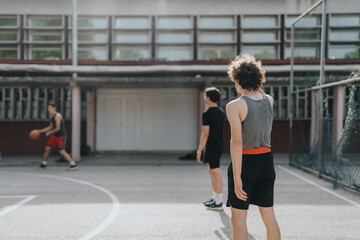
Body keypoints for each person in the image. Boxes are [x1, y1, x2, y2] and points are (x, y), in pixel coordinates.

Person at [226, 54, 281, 239]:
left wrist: (236, 176)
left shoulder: (235, 105)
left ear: (239, 80)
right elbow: (259, 94)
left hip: (245, 162)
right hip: (266, 161)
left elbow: (236, 141)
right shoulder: (269, 99)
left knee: (239, 217)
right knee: (269, 215)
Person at [196, 87, 225, 210]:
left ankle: (219, 200)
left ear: (208, 98)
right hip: (218, 144)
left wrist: (199, 150)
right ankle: (215, 197)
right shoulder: (221, 112)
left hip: (212, 145)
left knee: (215, 171)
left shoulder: (207, 114)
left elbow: (205, 134)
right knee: (211, 170)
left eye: (205, 96)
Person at [36, 103, 78, 171]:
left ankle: (73, 164)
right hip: (55, 136)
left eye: (49, 108)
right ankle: (44, 164)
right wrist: (39, 131)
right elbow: (50, 127)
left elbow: (58, 128)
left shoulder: (57, 116)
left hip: (61, 136)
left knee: (62, 151)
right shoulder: (52, 117)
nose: (48, 110)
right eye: (48, 108)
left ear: (54, 108)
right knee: (47, 149)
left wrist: (49, 132)